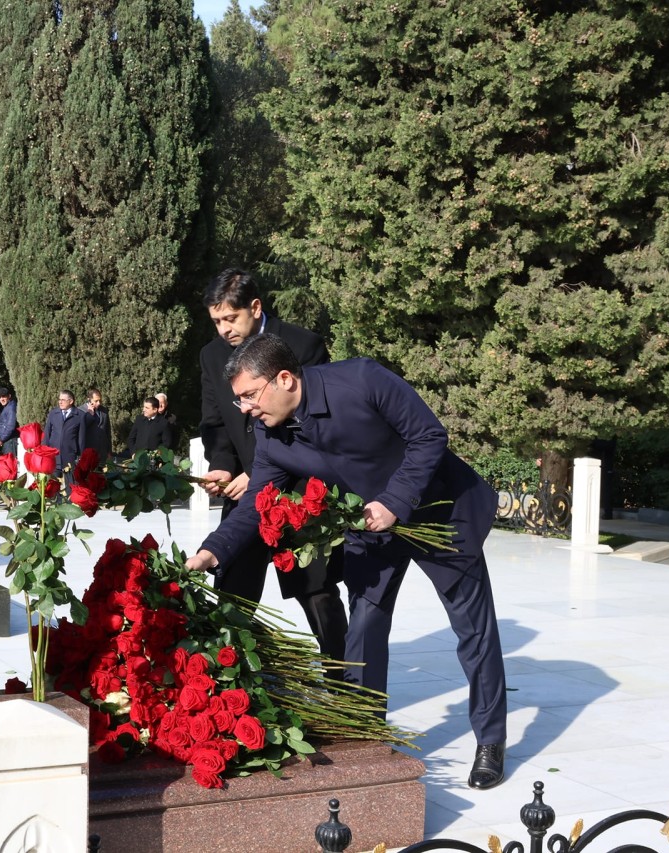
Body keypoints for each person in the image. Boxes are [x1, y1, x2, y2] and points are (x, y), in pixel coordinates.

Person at [186, 334, 507, 790]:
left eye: (249, 396)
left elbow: (429, 436)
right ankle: (366, 736)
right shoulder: (270, 433)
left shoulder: (361, 380)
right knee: (362, 629)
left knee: (473, 630)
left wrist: (395, 502)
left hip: (439, 512)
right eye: (238, 401)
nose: (245, 410)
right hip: (370, 530)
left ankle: (490, 740)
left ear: (284, 378)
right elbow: (259, 499)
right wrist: (212, 550)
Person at [197, 268, 346, 661]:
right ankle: (234, 694)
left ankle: (343, 682)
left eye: (231, 318)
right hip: (243, 495)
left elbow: (317, 425)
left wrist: (260, 474)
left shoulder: (303, 345)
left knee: (317, 594)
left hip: (299, 493)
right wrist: (225, 467)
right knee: (231, 594)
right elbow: (215, 422)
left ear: (255, 307)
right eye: (216, 321)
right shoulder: (212, 356)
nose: (224, 329)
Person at [42, 389, 85, 478]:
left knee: (70, 485)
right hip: (54, 455)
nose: (60, 402)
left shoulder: (80, 416)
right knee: (54, 485)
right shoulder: (53, 413)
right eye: (59, 399)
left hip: (70, 457)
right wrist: (44, 451)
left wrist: (81, 456)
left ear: (71, 401)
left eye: (63, 400)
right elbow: (47, 433)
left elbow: (81, 438)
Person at [80, 388, 111, 462]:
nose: (99, 403)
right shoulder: (80, 411)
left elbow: (107, 432)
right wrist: (89, 414)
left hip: (102, 452)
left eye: (100, 400)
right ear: (89, 400)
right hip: (88, 452)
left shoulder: (104, 411)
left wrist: (109, 451)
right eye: (96, 401)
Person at [0, 387, 18, 457]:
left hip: (10, 441)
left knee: (11, 464)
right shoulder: (7, 407)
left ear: (9, 396)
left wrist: (1, 439)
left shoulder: (11, 408)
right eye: (0, 397)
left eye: (3, 396)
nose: (1, 399)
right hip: (8, 441)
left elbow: (10, 426)